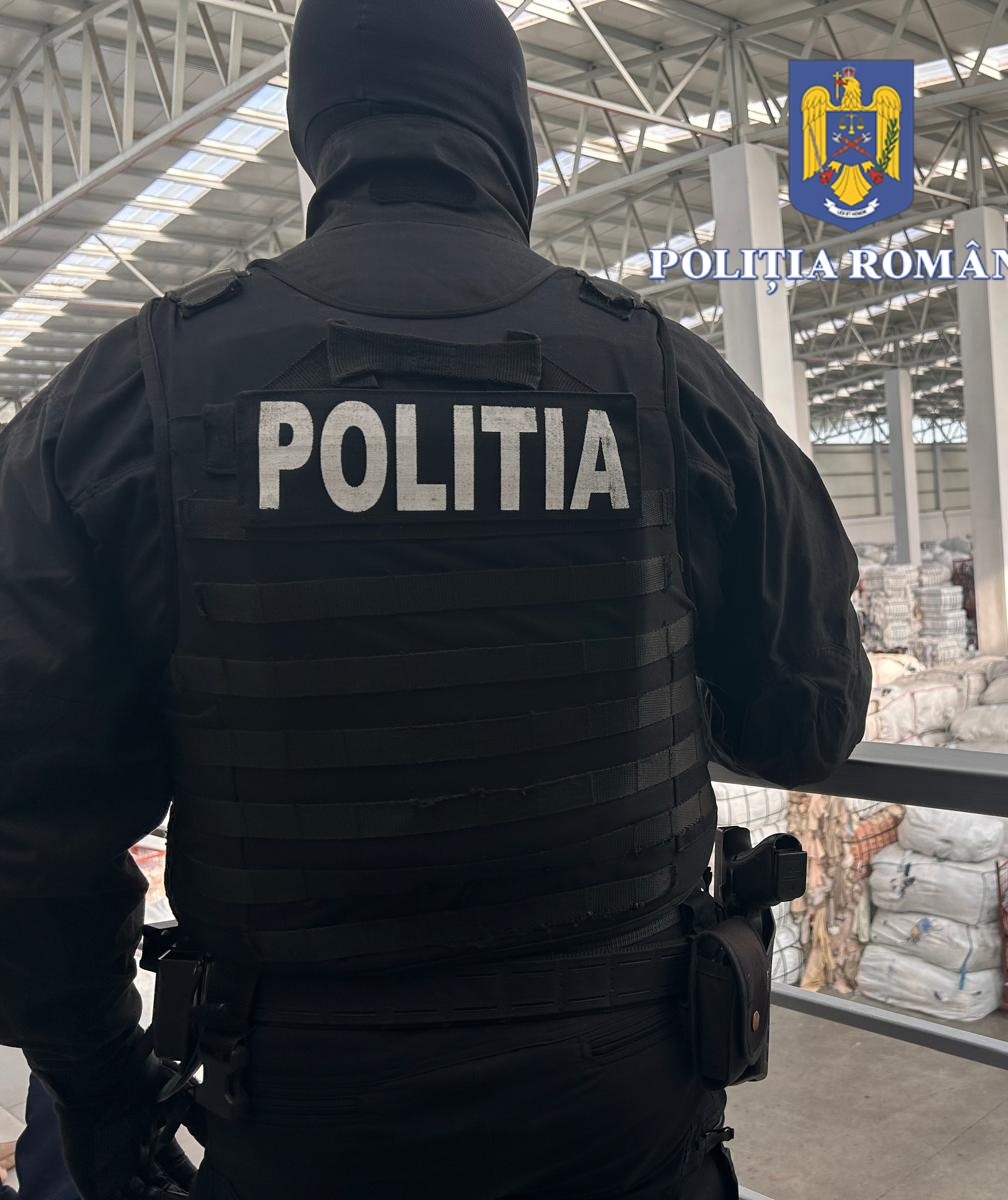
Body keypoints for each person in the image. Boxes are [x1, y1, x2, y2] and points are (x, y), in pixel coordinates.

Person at [0, 1, 871, 1197]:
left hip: (292, 1118)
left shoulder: (132, 396)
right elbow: (809, 720)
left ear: (316, 131)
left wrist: (106, 1090)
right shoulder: (667, 380)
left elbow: (27, 823)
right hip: (621, 1120)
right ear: (507, 128)